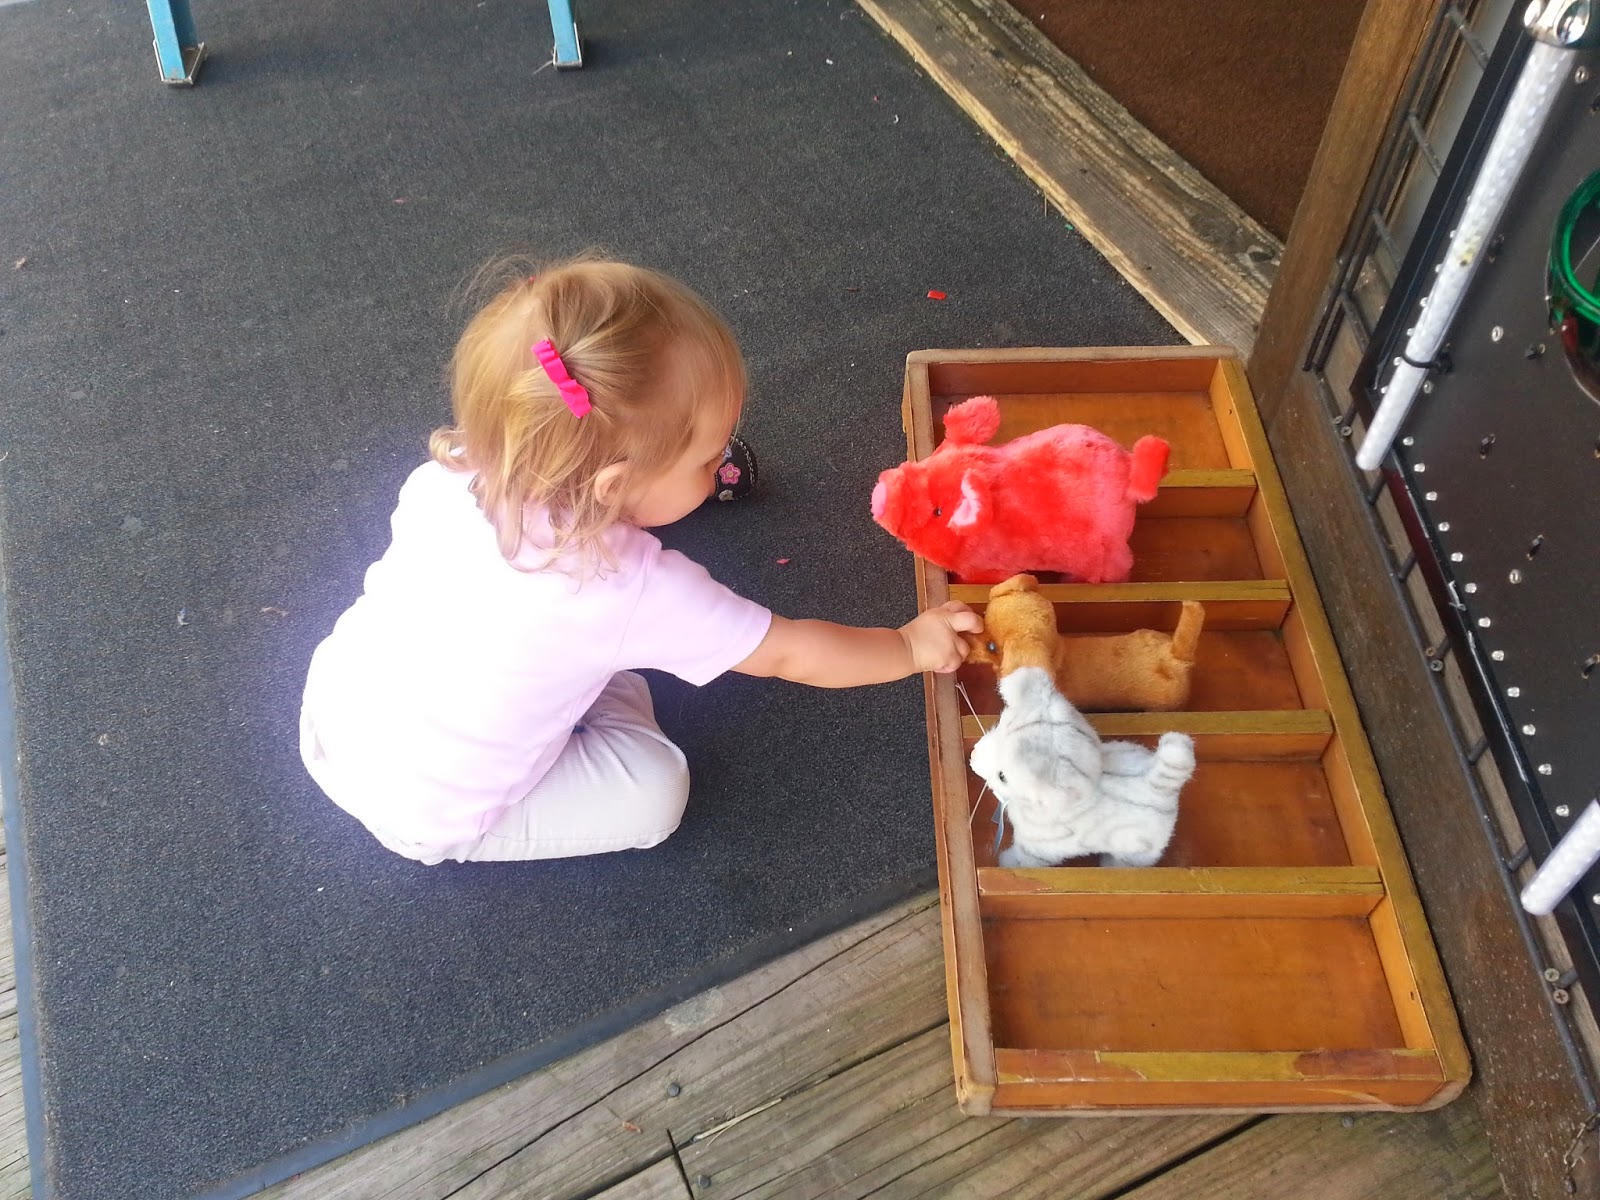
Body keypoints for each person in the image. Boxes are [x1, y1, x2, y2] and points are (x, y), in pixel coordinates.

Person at [299, 254, 979, 864]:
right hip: (431, 813)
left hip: (338, 716)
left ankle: (588, 650)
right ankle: (597, 675)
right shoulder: (629, 589)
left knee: (545, 645)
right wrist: (909, 645)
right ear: (614, 487)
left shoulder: (445, 476)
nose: (723, 463)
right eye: (707, 458)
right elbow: (790, 653)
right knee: (654, 793)